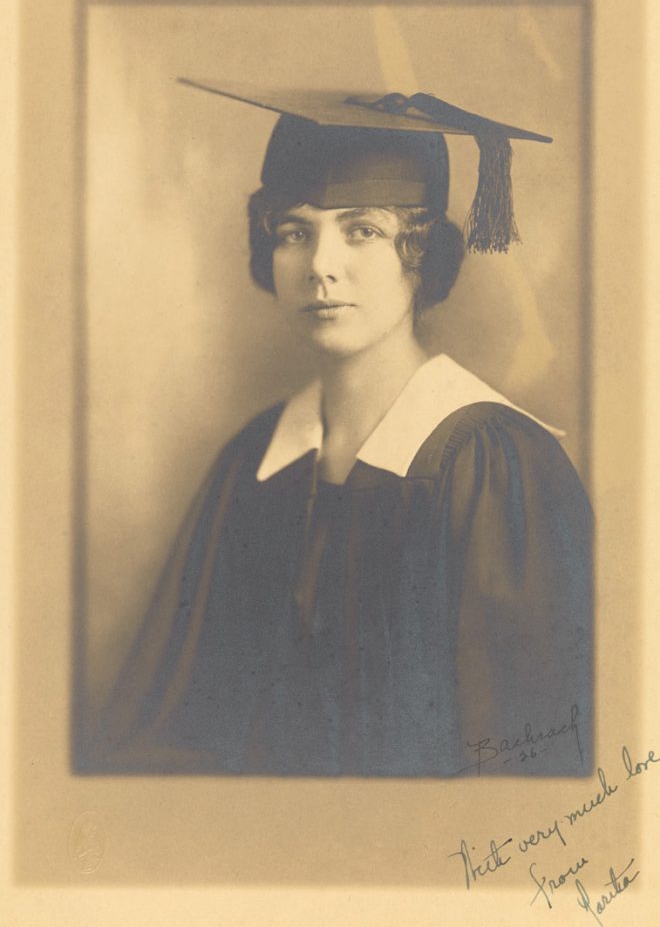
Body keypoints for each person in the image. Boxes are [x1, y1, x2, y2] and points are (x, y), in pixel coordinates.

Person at [87, 86, 592, 777]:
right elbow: (173, 719)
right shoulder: (255, 460)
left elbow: (524, 765)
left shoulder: (492, 464)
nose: (321, 265)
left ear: (424, 256)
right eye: (295, 232)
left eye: (362, 230)